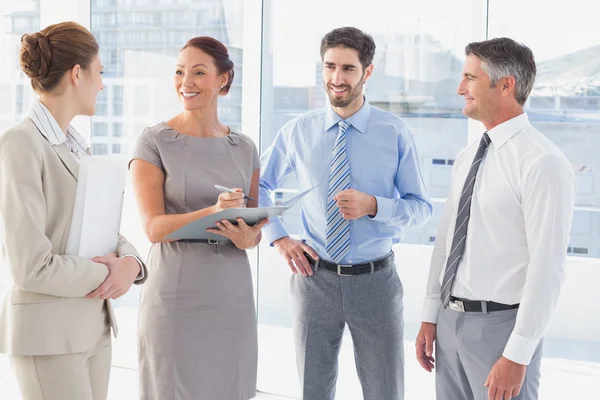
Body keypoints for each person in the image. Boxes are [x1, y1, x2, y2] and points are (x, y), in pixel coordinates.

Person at [259, 26, 432, 400]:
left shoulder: (395, 133)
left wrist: (374, 206)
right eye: (329, 67)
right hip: (314, 280)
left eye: (348, 69)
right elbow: (257, 187)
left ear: (367, 72)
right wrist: (280, 238)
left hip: (376, 283)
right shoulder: (297, 132)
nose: (337, 79)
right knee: (313, 391)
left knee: (385, 391)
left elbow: (420, 209)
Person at [415, 37, 576, 400]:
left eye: (470, 78)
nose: (460, 89)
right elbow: (446, 241)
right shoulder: (467, 155)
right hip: (449, 320)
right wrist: (430, 314)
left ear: (506, 85)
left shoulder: (542, 163)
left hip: (501, 329)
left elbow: (547, 267)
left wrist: (518, 353)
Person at [0, 21, 147, 400]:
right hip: (49, 335)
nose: (103, 84)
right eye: (100, 73)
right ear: (77, 74)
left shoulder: (75, 146)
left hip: (93, 328)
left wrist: (131, 264)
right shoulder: (21, 143)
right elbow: (31, 266)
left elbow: (100, 230)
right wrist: (107, 270)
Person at [130, 36, 267, 400]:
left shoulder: (245, 147)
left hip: (231, 297)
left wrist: (247, 238)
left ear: (224, 79)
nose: (185, 82)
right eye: (179, 72)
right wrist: (213, 212)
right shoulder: (155, 141)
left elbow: (253, 230)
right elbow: (153, 228)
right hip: (176, 297)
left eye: (198, 72)